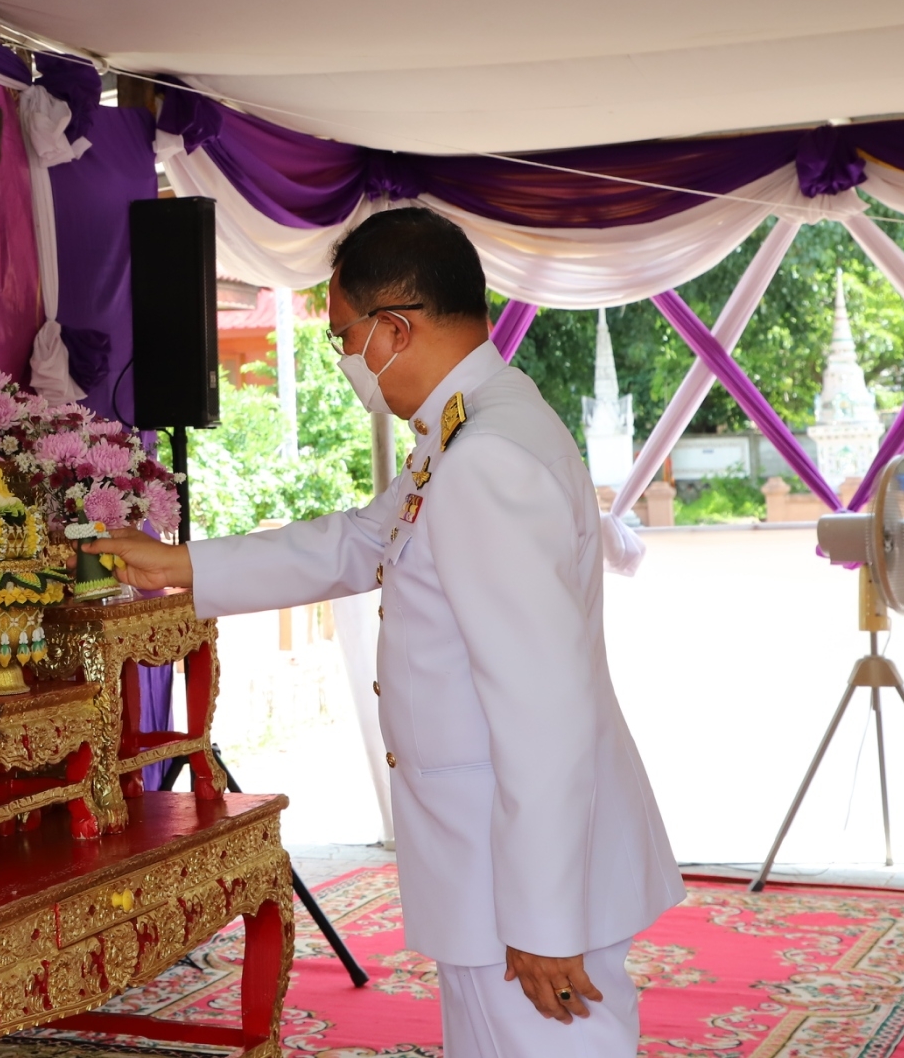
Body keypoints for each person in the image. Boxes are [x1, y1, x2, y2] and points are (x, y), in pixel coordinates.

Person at [90, 207, 683, 1058]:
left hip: (519, 869)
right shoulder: (467, 427)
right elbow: (367, 538)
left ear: (395, 328)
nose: (343, 361)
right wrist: (184, 566)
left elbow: (544, 706)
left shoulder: (487, 455)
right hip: (491, 860)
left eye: (343, 337)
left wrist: (545, 917)